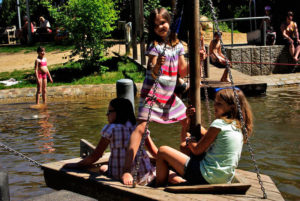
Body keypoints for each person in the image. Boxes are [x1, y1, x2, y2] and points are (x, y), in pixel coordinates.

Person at [122, 7, 188, 185]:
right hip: (152, 93)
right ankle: (127, 169)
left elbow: (182, 71)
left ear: (169, 22)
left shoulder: (178, 46)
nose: (160, 26)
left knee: (187, 120)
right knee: (141, 127)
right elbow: (152, 71)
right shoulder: (155, 46)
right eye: (156, 25)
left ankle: (185, 160)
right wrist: (158, 64)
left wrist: (199, 58)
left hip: (169, 96)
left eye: (163, 22)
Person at [155, 88, 253, 186]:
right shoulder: (237, 126)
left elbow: (197, 150)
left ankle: (159, 187)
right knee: (185, 148)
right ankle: (179, 178)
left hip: (206, 176)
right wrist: (190, 119)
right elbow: (203, 132)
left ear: (231, 107)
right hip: (224, 178)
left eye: (219, 104)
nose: (214, 106)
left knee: (163, 151)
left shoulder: (219, 124)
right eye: (215, 102)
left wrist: (190, 140)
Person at [63, 98, 157, 185]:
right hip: (144, 177)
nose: (106, 114)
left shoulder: (110, 129)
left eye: (109, 111)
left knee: (103, 168)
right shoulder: (139, 127)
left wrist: (77, 165)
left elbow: (96, 155)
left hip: (119, 176)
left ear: (119, 113)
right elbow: (154, 152)